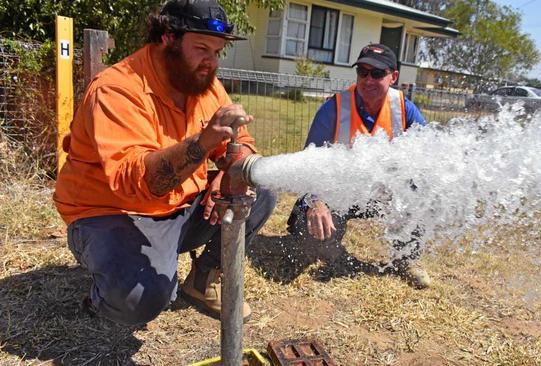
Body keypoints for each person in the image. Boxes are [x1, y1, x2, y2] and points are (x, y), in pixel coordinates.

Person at [53, 0, 277, 325]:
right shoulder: (117, 90)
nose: (210, 62)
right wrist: (203, 144)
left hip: (179, 209)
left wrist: (228, 171)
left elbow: (239, 142)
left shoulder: (203, 84)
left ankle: (203, 280)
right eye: (201, 48)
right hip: (112, 214)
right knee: (141, 300)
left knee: (256, 184)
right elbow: (142, 184)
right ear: (168, 38)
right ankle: (103, 299)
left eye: (216, 52)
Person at [286, 43, 431, 289]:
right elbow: (308, 163)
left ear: (393, 76)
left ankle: (407, 260)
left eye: (377, 73)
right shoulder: (334, 108)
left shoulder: (405, 109)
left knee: (418, 192)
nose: (368, 79)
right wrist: (317, 202)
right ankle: (316, 235)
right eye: (362, 72)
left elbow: (428, 155)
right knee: (312, 244)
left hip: (380, 193)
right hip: (338, 193)